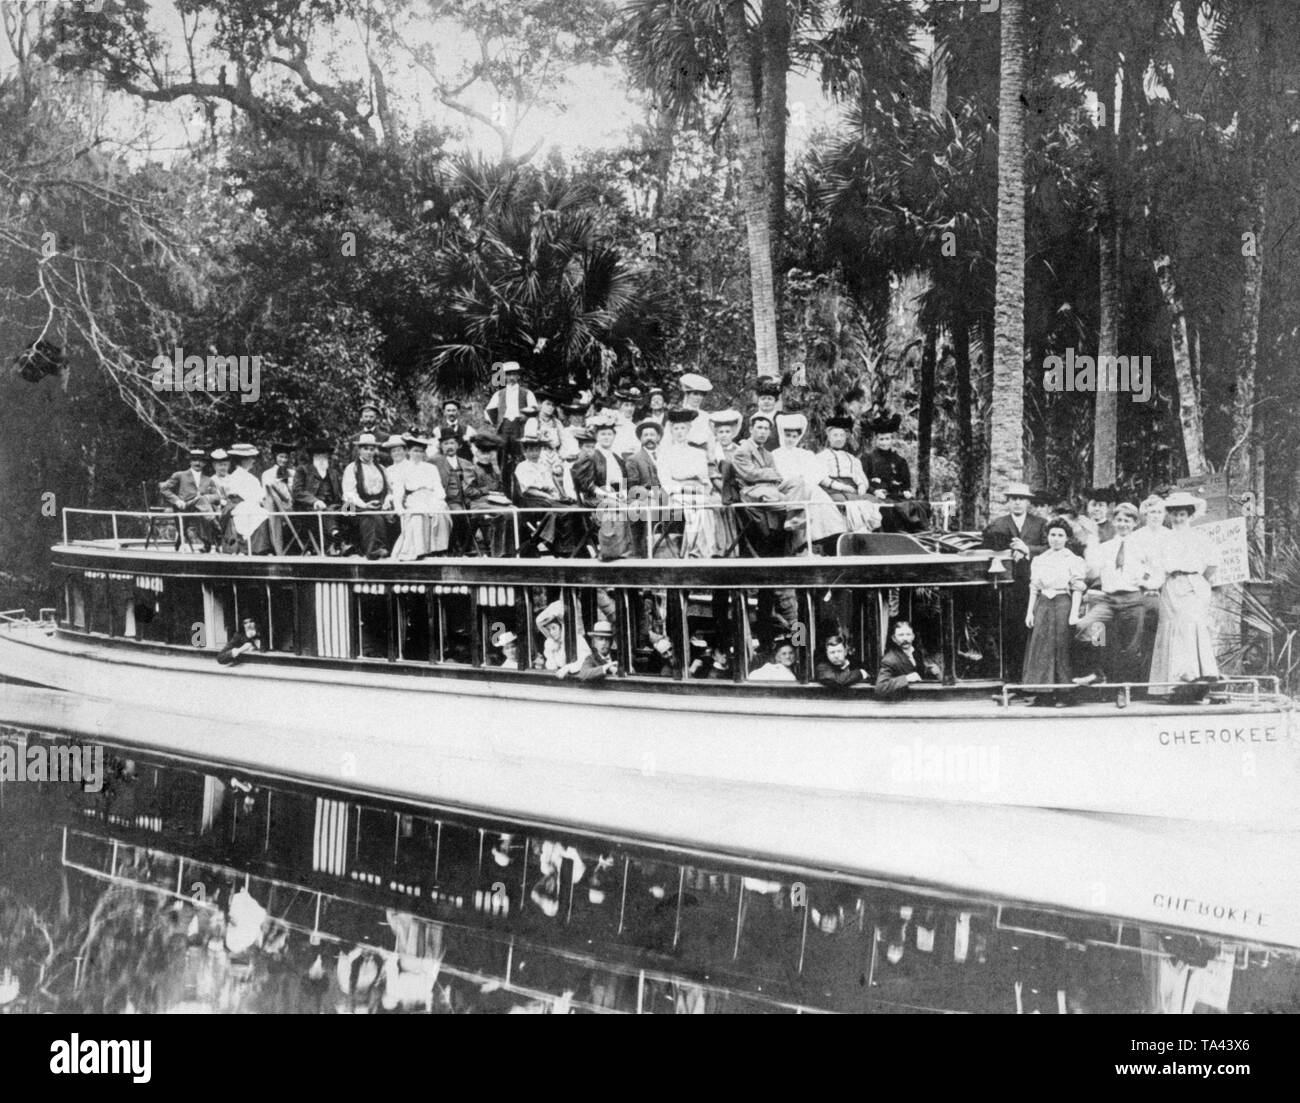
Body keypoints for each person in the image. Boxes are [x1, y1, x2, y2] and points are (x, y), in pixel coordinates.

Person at [1071, 502, 1163, 685]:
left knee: (1130, 647)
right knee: (1086, 626)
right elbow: (1093, 571)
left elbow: (1156, 570)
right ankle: (1097, 673)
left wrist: (1147, 581)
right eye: (1119, 520)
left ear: (1135, 523)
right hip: (1108, 601)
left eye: (1127, 521)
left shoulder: (1143, 546)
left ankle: (1124, 688)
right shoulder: (1107, 547)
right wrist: (1092, 538)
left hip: (1133, 600)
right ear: (1113, 521)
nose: (1123, 524)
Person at [1148, 491, 1219, 693]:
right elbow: (1157, 567)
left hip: (1194, 586)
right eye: (1175, 514)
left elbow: (1212, 564)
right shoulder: (1163, 539)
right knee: (1171, 628)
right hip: (1171, 586)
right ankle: (1173, 685)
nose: (1178, 518)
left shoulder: (1200, 537)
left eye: (1182, 514)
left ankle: (1197, 680)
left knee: (1191, 628)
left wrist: (1198, 581)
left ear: (1189, 515)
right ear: (1169, 515)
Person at [980, 481, 1047, 680]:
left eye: (1021, 499)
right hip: (1006, 590)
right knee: (1009, 632)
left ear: (1028, 502)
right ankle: (1009, 677)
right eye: (1013, 499)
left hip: (1033, 587)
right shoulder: (998, 524)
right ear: (1008, 502)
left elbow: (1049, 548)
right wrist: (1010, 551)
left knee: (1031, 631)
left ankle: (1030, 676)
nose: (1017, 503)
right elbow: (988, 547)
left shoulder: (1040, 524)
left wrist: (1027, 549)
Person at [1021, 518, 1087, 691]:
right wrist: (1030, 613)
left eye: (1060, 535)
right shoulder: (1039, 559)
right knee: (1041, 646)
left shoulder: (1074, 560)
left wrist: (1074, 613)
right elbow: (1034, 588)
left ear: (1067, 538)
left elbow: (1077, 588)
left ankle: (1064, 693)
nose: (1056, 539)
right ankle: (1042, 692)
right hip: (1042, 605)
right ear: (1047, 536)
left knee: (1061, 646)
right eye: (1052, 534)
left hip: (1062, 604)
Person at [773, 412, 849, 548]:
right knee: (808, 493)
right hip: (788, 490)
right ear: (782, 435)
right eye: (788, 436)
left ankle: (828, 536)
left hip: (808, 488)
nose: (791, 439)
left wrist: (840, 486)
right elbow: (778, 476)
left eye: (794, 436)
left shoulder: (805, 454)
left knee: (816, 493)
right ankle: (802, 543)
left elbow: (816, 474)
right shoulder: (776, 454)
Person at [657, 408, 723, 558]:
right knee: (699, 506)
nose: (680, 432)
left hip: (698, 491)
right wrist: (683, 489)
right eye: (676, 428)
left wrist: (701, 489)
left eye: (683, 428)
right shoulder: (665, 454)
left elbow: (704, 479)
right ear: (671, 431)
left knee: (710, 505)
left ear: (688, 430)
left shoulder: (698, 453)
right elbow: (665, 480)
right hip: (676, 494)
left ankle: (704, 549)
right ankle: (699, 551)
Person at [514, 433, 583, 556]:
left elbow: (552, 486)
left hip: (547, 497)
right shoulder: (522, 467)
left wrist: (557, 494)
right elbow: (528, 490)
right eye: (531, 450)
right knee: (564, 511)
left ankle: (574, 543)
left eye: (537, 450)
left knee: (576, 508)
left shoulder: (543, 466)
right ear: (525, 451)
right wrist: (547, 496)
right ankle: (562, 547)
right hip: (531, 499)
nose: (535, 453)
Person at [572, 417, 631, 560]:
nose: (606, 437)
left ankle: (630, 549)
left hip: (616, 496)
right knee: (615, 507)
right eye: (603, 434)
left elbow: (623, 478)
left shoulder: (617, 458)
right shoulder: (591, 457)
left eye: (609, 434)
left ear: (614, 436)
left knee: (638, 505)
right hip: (595, 498)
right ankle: (611, 551)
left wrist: (623, 492)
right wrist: (608, 496)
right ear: (597, 437)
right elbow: (587, 485)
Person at [819, 416, 883, 533]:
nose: (839, 439)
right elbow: (821, 477)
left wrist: (861, 487)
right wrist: (841, 486)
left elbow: (861, 478)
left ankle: (872, 535)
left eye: (842, 436)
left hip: (852, 489)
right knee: (845, 504)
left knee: (874, 502)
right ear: (829, 437)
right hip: (832, 489)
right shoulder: (821, 456)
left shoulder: (852, 458)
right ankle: (850, 534)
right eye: (835, 435)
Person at [392, 436, 451, 560]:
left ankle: (438, 549)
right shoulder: (403, 469)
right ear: (408, 452)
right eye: (415, 451)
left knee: (441, 510)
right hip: (414, 498)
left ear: (424, 453)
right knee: (419, 513)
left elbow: (438, 486)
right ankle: (420, 550)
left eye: (420, 451)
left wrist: (439, 499)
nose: (417, 454)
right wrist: (399, 507)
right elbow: (398, 492)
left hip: (431, 497)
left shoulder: (431, 468)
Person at [342, 432, 393, 559]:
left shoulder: (381, 468)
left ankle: (393, 550)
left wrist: (386, 501)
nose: (369, 452)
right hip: (356, 505)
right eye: (365, 449)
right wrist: (365, 505)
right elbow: (349, 493)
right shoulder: (352, 468)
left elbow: (390, 490)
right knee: (371, 516)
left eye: (372, 449)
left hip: (378, 504)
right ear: (359, 450)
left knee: (392, 516)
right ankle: (373, 549)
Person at [160, 448, 221, 552]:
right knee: (201, 502)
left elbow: (217, 497)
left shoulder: (208, 480)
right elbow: (164, 489)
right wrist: (177, 500)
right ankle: (216, 527)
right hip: (185, 507)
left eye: (201, 461)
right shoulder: (180, 475)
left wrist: (207, 497)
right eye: (195, 460)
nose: (198, 463)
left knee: (201, 500)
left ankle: (208, 539)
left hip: (201, 511)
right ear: (190, 461)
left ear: (204, 463)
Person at [464, 432, 514, 556]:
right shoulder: (471, 469)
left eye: (488, 453)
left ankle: (511, 550)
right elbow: (468, 491)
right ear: (476, 453)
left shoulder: (495, 470)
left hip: (495, 502)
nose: (485, 456)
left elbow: (500, 488)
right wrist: (486, 491)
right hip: (478, 503)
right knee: (503, 514)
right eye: (482, 453)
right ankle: (498, 552)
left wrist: (501, 495)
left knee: (515, 512)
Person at [484, 361, 536, 481]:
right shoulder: (499, 394)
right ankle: (504, 482)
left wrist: (526, 416)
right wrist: (495, 422)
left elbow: (534, 409)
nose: (511, 377)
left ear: (518, 376)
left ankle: (523, 481)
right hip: (504, 427)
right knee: (502, 455)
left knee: (521, 454)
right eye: (508, 374)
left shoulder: (527, 393)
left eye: (514, 374)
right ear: (504, 377)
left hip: (520, 427)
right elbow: (489, 410)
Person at [292, 439, 344, 554]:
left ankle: (344, 543)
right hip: (309, 509)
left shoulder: (333, 472)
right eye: (318, 454)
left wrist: (349, 503)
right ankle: (338, 540)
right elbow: (297, 491)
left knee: (352, 510)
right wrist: (314, 501)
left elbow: (340, 494)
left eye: (324, 455)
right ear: (313, 456)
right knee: (327, 511)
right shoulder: (303, 470)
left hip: (333, 506)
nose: (322, 458)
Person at [224, 443, 273, 554]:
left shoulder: (247, 476)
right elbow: (251, 496)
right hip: (240, 507)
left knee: (262, 512)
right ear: (243, 460)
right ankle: (254, 548)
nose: (253, 461)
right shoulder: (237, 476)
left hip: (247, 506)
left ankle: (259, 547)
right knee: (262, 514)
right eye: (251, 458)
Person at [430, 430, 473, 553]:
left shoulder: (467, 463)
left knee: (475, 515)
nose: (449, 446)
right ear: (441, 446)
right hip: (445, 500)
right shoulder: (433, 462)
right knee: (458, 514)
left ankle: (471, 547)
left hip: (466, 499)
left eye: (452, 443)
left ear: (458, 445)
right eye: (445, 444)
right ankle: (455, 548)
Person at [875, 620, 939, 700]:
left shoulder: (916, 653)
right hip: (902, 703)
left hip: (920, 700)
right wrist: (906, 678)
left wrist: (929, 671)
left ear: (913, 637)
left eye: (908, 634)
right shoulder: (889, 659)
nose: (905, 638)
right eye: (901, 635)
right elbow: (881, 687)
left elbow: (917, 673)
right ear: (894, 638)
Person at [862, 413, 912, 499]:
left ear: (892, 440)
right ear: (876, 440)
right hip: (874, 496)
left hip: (896, 497)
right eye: (881, 439)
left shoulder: (900, 460)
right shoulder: (867, 458)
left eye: (887, 439)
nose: (884, 443)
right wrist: (874, 491)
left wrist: (906, 491)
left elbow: (906, 484)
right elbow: (862, 480)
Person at [534, 600, 591, 673]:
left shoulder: (578, 640)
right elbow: (552, 668)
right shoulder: (550, 643)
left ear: (562, 626)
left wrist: (568, 668)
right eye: (549, 629)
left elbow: (586, 661)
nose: (551, 632)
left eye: (554, 628)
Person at [260, 442, 297, 555]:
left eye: (286, 457)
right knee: (271, 504)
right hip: (275, 507)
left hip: (292, 507)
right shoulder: (268, 474)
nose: (284, 460)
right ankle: (277, 548)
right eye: (281, 457)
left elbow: (296, 492)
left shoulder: (293, 473)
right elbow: (266, 494)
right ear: (275, 457)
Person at [740, 378, 782, 450]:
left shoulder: (782, 417)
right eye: (763, 398)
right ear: (758, 400)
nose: (766, 402)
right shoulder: (748, 419)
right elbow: (739, 440)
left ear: (775, 401)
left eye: (770, 399)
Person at [676, 372, 714, 446]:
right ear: (687, 394)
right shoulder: (678, 414)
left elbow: (710, 437)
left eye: (701, 395)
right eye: (695, 394)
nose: (698, 398)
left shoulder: (705, 416)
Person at [611, 389, 642, 457]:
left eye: (632, 405)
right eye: (626, 405)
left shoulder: (634, 427)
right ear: (620, 407)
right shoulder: (612, 423)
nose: (629, 409)